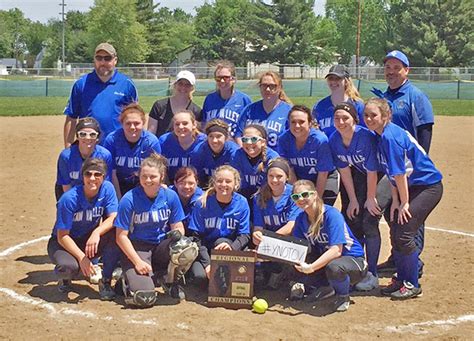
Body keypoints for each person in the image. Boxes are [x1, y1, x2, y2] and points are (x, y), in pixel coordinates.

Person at [364, 98, 443, 299]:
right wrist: (396, 201)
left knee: (404, 232)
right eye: (366, 115)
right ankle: (401, 278)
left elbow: (399, 174)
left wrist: (404, 202)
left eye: (374, 115)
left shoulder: (390, 136)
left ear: (386, 116)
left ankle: (412, 283)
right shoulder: (379, 136)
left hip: (428, 186)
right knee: (395, 225)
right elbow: (392, 173)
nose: (369, 119)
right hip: (411, 186)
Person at [373, 50, 435, 275]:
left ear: (406, 70)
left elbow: (424, 132)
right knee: (392, 211)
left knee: (410, 216)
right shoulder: (384, 98)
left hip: (408, 168)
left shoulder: (415, 96)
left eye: (396, 67)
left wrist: (415, 168)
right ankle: (396, 255)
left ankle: (413, 261)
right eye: (388, 67)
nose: (391, 72)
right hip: (388, 167)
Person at [114, 154, 198, 307]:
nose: (148, 180)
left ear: (162, 176)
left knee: (186, 246)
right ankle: (127, 280)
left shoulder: (170, 196)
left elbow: (178, 226)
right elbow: (121, 237)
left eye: (152, 176)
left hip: (159, 247)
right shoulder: (129, 199)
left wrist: (178, 234)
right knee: (145, 298)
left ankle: (170, 281)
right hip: (137, 249)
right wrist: (137, 262)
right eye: (144, 176)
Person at [328, 102, 391, 291]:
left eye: (345, 118)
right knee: (353, 217)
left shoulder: (364, 137)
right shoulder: (334, 139)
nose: (341, 122)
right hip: (362, 177)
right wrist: (353, 199)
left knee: (370, 219)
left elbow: (373, 171)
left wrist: (371, 198)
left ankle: (372, 273)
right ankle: (358, 267)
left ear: (355, 119)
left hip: (384, 176)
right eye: (337, 118)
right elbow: (344, 171)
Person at [47, 158, 120, 301]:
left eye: (97, 175)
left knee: (116, 233)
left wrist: (96, 232)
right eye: (88, 174)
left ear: (104, 177)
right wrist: (82, 258)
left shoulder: (107, 188)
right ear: (82, 176)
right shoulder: (68, 199)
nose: (92, 178)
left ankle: (105, 281)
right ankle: (65, 277)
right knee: (68, 267)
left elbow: (114, 217)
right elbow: (63, 236)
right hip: (64, 243)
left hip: (87, 239)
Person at [291, 180, 367, 312]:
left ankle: (343, 295)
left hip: (353, 261)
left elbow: (336, 251)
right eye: (296, 197)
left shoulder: (331, 214)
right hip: (328, 260)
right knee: (295, 260)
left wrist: (311, 267)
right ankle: (325, 287)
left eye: (305, 195)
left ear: (314, 195)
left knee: (335, 267)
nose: (301, 199)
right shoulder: (300, 219)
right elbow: (299, 247)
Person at [64, 43, 138, 146]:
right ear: (94, 59)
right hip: (89, 146)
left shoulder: (127, 84)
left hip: (118, 147)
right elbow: (71, 118)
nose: (103, 62)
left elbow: (135, 118)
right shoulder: (81, 84)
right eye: (99, 58)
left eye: (107, 58)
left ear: (115, 60)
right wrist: (68, 148)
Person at [187, 165, 251, 286]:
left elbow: (245, 235)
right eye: (219, 181)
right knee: (199, 278)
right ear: (214, 183)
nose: (223, 184)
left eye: (228, 181)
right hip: (206, 250)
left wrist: (232, 247)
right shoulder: (202, 203)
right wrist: (207, 264)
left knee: (221, 242)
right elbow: (196, 238)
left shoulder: (241, 202)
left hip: (229, 248)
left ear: (236, 184)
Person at [252, 158, 302, 289]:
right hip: (270, 241)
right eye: (271, 176)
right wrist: (257, 236)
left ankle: (291, 277)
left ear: (287, 177)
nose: (274, 180)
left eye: (279, 176)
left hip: (292, 241)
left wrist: (268, 240)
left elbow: (292, 225)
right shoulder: (259, 196)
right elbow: (258, 227)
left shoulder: (294, 195)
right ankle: (272, 272)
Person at [278, 105, 337, 205]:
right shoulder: (284, 139)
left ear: (310, 123)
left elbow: (323, 173)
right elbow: (290, 170)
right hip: (299, 178)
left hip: (324, 177)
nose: (297, 126)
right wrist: (298, 195)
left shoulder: (319, 140)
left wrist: (316, 200)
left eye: (301, 122)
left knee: (322, 208)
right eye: (293, 122)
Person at [103, 103, 161, 199]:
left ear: (143, 123)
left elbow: (155, 172)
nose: (132, 127)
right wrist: (118, 198)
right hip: (118, 184)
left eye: (136, 123)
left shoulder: (151, 142)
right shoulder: (112, 140)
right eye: (128, 123)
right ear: (122, 123)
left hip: (143, 184)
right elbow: (111, 173)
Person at [56, 117, 112, 200]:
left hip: (96, 195)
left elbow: (104, 184)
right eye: (82, 134)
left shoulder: (105, 155)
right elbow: (66, 186)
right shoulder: (66, 156)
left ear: (97, 137)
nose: (87, 138)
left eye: (92, 134)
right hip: (70, 194)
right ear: (77, 137)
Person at [235, 71, 292, 148]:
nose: (267, 89)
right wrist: (245, 152)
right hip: (251, 157)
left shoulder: (288, 111)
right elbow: (239, 134)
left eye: (272, 86)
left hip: (277, 157)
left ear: (280, 88)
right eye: (264, 85)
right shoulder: (250, 110)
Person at [311, 65, 365, 138]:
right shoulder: (319, 106)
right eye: (331, 78)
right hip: (328, 148)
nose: (333, 81)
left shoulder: (357, 105)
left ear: (346, 81)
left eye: (338, 78)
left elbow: (365, 132)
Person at [201, 61, 252, 136]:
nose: (222, 81)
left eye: (226, 78)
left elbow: (249, 127)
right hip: (213, 143)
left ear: (233, 79)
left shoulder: (244, 99)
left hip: (235, 144)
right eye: (218, 78)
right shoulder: (209, 99)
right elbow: (204, 124)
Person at [230, 124, 279, 203]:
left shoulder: (272, 158)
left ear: (263, 142)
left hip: (267, 199)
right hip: (243, 198)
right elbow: (235, 185)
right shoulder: (237, 155)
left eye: (253, 139)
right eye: (245, 139)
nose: (249, 143)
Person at [148, 70, 202, 138]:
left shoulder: (196, 111)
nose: (183, 87)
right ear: (175, 85)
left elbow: (196, 135)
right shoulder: (159, 106)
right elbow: (151, 134)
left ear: (192, 88)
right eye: (180, 83)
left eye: (187, 85)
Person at [159, 110, 206, 182]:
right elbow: (159, 168)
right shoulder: (164, 141)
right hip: (171, 185)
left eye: (185, 123)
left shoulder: (204, 142)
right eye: (177, 124)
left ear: (194, 124)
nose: (181, 127)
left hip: (198, 186)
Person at [190, 119, 239, 187]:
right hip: (205, 188)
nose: (214, 140)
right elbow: (196, 179)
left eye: (219, 136)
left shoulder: (234, 152)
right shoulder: (198, 151)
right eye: (211, 136)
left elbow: (236, 180)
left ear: (226, 137)